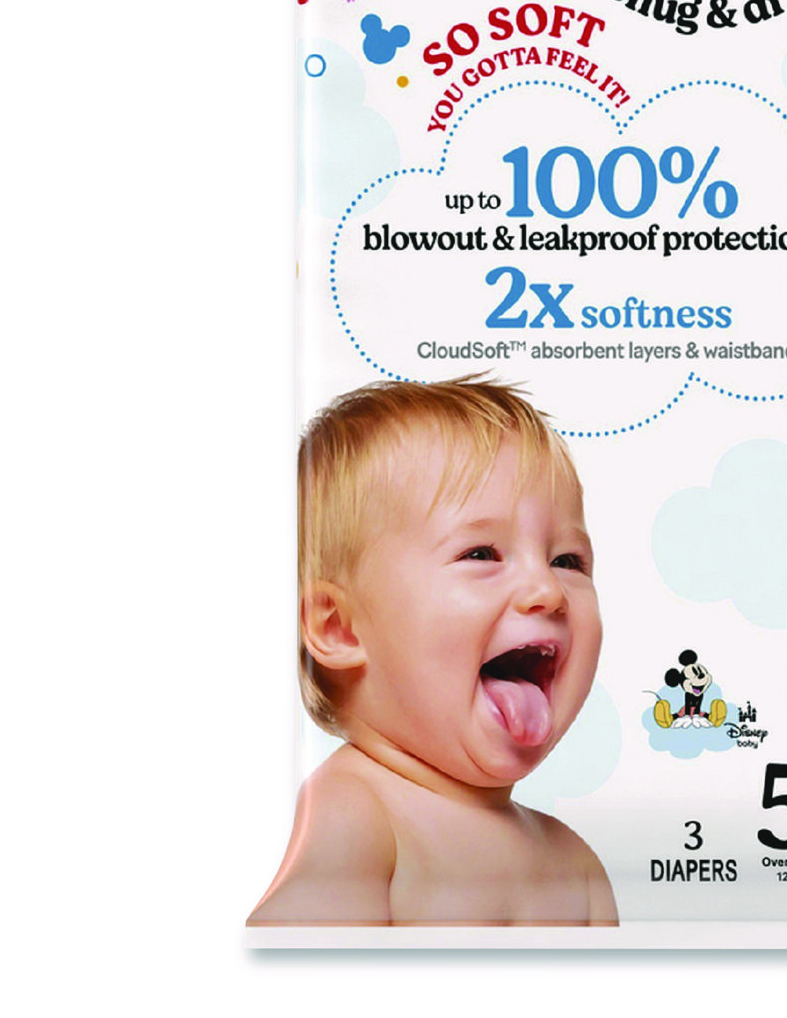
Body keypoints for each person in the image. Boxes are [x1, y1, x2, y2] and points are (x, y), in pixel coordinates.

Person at [248, 377, 616, 926]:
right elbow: (292, 955)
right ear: (340, 629)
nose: (547, 590)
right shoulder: (359, 815)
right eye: (481, 553)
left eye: (567, 561)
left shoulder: (575, 865)